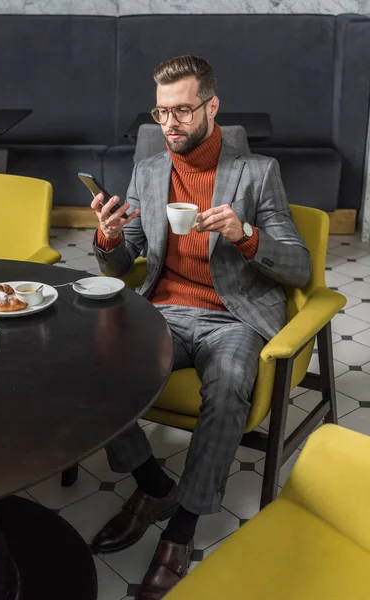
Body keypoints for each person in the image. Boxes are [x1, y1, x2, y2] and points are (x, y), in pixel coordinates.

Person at [91, 55, 311, 600]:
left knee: (232, 379)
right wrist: (111, 239)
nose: (171, 124)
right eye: (162, 112)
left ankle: (183, 527)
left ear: (212, 107)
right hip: (162, 309)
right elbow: (125, 264)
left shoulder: (258, 173)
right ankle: (152, 485)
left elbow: (299, 266)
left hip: (230, 314)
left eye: (184, 110)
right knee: (93, 367)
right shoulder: (148, 172)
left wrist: (244, 235)